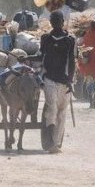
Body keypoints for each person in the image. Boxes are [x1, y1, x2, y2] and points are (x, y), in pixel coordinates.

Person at [24, 10, 76, 153]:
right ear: (51, 22)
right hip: (49, 80)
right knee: (52, 108)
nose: (55, 23)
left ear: (62, 22)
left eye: (58, 20)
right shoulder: (46, 38)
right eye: (53, 20)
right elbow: (41, 56)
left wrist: (70, 80)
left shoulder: (70, 40)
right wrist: (27, 58)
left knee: (61, 113)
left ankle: (57, 143)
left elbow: (72, 61)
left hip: (64, 81)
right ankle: (50, 143)